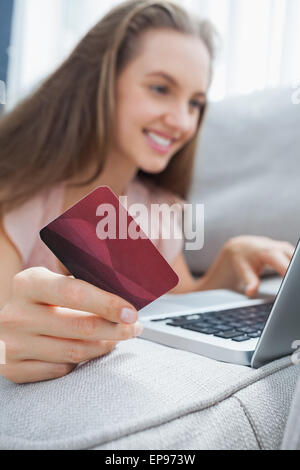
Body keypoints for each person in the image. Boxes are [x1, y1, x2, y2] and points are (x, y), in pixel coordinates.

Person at [0, 0, 294, 384]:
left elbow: (173, 300)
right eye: (160, 88)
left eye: (195, 103)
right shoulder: (19, 198)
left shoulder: (162, 206)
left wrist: (227, 262)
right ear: (101, 81)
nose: (181, 121)